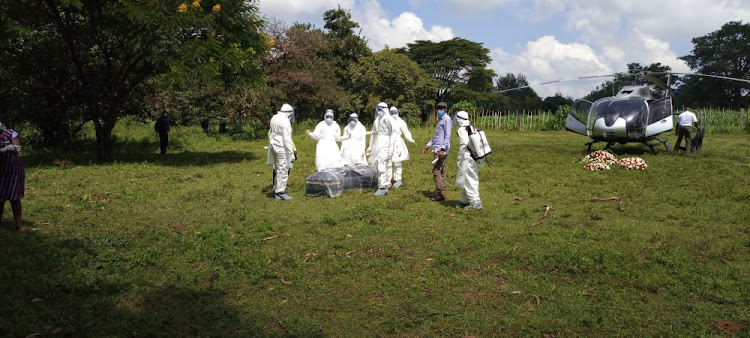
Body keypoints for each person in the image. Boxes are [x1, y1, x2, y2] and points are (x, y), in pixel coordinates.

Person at [422, 101, 452, 201]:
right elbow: (437, 136)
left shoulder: (447, 120)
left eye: (441, 109)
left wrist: (442, 149)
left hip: (440, 149)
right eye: (438, 109)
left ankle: (440, 193)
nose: (439, 110)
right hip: (437, 147)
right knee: (442, 171)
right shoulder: (441, 120)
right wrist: (428, 144)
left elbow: (447, 136)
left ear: (446, 110)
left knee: (436, 171)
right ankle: (441, 193)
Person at [455, 111, 484, 210]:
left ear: (459, 119)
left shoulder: (462, 129)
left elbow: (464, 143)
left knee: (470, 179)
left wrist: (460, 157)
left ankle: (476, 202)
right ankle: (464, 200)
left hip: (467, 158)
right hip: (475, 157)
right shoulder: (472, 127)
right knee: (465, 178)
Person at [367, 102, 397, 196]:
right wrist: (370, 146)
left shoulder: (389, 118)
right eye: (378, 110)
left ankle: (383, 186)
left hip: (386, 144)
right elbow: (374, 133)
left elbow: (394, 132)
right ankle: (385, 183)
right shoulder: (377, 120)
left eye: (381, 109)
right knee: (382, 164)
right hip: (378, 144)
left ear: (385, 109)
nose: (379, 112)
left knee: (383, 164)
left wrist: (391, 145)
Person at [0, 123, 25, 232]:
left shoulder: (10, 133)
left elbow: (17, 149)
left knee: (15, 198)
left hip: (13, 170)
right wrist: (2, 150)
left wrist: (15, 149)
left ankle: (19, 225)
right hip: (1, 171)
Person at [268, 103, 297, 200]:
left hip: (273, 145)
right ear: (289, 113)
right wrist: (291, 153)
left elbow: (271, 131)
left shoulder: (274, 117)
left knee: (277, 168)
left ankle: (277, 190)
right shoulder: (285, 121)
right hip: (281, 146)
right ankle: (280, 192)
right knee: (283, 169)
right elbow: (287, 138)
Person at [388, 106, 415, 188]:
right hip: (388, 143)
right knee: (387, 162)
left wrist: (410, 139)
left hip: (398, 144)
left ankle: (398, 179)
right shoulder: (386, 121)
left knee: (397, 162)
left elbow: (406, 131)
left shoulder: (401, 122)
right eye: (391, 113)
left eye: (394, 113)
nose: (393, 115)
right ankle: (387, 180)